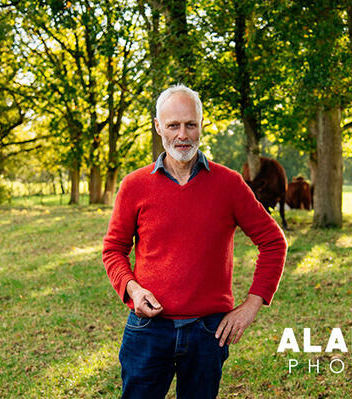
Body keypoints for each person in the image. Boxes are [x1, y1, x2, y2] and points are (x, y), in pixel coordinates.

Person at [102, 84, 287, 399]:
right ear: (158, 126)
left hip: (208, 331)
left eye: (190, 124)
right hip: (148, 330)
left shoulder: (229, 184)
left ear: (201, 126)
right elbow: (114, 250)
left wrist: (252, 304)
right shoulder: (134, 185)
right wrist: (133, 289)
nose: (182, 135)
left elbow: (273, 242)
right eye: (173, 125)